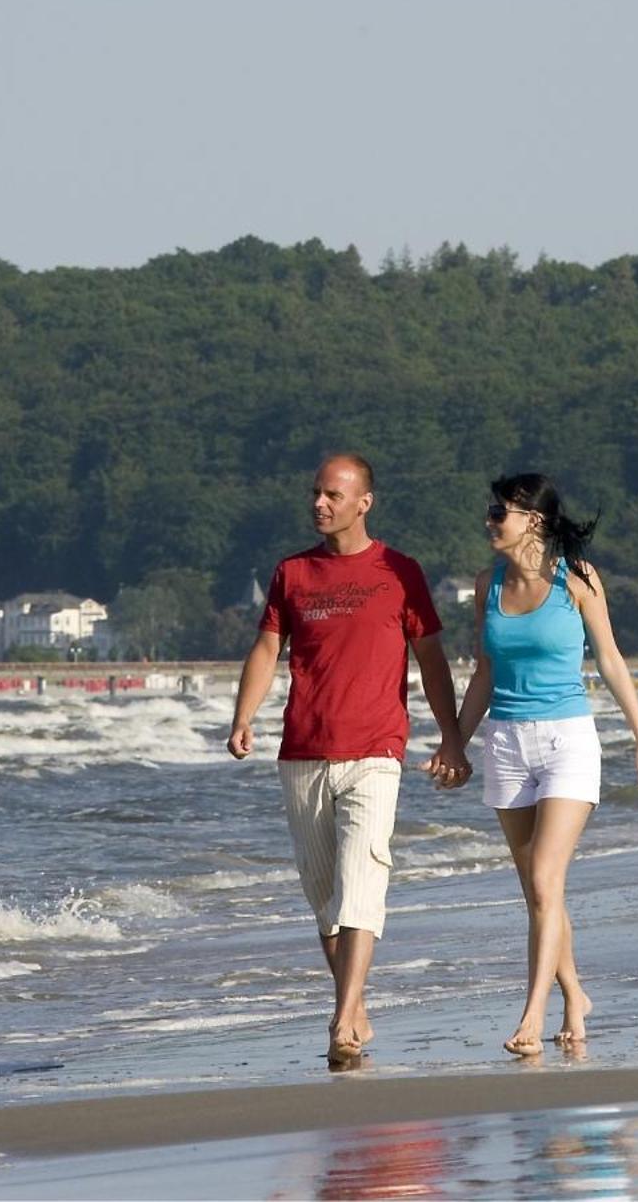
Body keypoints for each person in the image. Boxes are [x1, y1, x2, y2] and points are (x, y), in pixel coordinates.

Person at [227, 454, 469, 1064]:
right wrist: (243, 716)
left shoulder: (400, 572)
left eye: (333, 495)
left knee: (364, 876)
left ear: (364, 502)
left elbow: (431, 659)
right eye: (315, 493)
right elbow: (266, 647)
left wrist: (451, 737)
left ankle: (340, 1018)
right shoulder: (292, 573)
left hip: (376, 749)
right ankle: (354, 1002)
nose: (319, 504)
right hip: (303, 748)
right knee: (324, 895)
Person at [432, 472, 638, 1057]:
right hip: (506, 744)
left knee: (544, 880)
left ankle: (532, 1013)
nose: (488, 521)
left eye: (498, 512)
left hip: (568, 741)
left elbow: (609, 658)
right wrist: (455, 742)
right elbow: (483, 673)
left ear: (532, 518)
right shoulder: (488, 585)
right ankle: (575, 996)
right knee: (540, 894)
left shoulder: (577, 578)